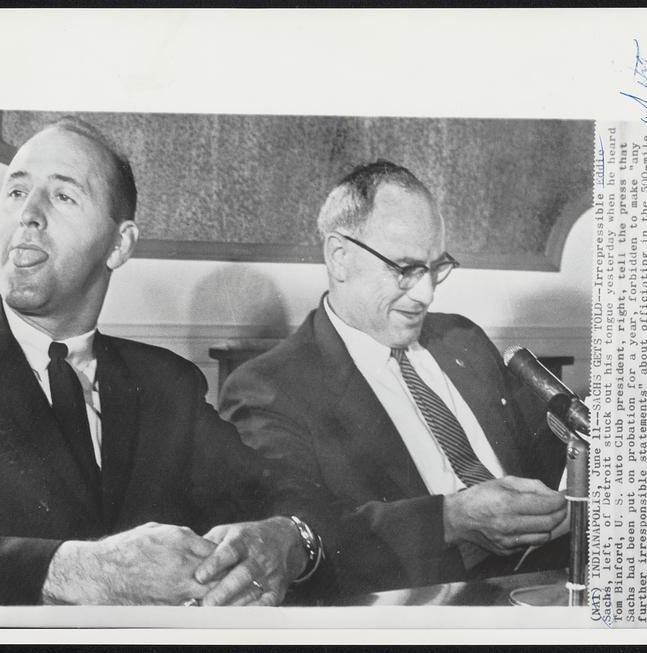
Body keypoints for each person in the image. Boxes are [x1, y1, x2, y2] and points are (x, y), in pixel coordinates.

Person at [0, 117, 328, 606]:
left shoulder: (166, 385)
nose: (28, 215)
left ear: (120, 244)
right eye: (16, 192)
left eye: (63, 196)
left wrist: (283, 540)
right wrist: (75, 570)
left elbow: (291, 494)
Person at [220, 160, 569, 594]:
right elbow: (300, 536)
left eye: (436, 268)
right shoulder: (268, 388)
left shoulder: (464, 339)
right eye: (405, 269)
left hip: (550, 585)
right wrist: (451, 519)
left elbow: (553, 461)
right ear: (339, 257)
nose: (426, 294)